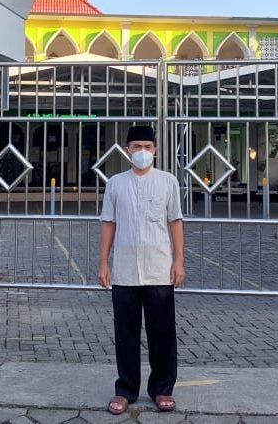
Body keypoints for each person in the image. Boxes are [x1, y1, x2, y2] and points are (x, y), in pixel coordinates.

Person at [99, 124, 185, 415]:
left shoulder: (168, 182)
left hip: (159, 267)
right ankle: (125, 390)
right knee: (126, 333)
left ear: (156, 151)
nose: (143, 152)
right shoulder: (116, 183)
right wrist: (103, 262)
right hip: (124, 269)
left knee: (162, 332)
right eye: (137, 147)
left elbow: (175, 221)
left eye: (148, 147)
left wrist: (179, 261)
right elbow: (109, 223)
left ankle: (162, 389)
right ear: (127, 151)